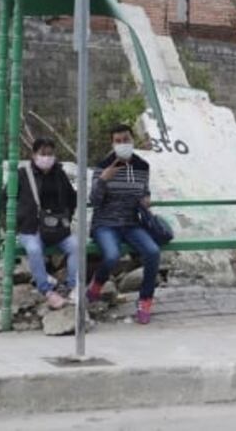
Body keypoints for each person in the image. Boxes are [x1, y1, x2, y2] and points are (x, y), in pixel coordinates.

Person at [87, 124, 160, 325]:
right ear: (112, 143)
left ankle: (145, 299)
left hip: (131, 223)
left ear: (132, 140)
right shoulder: (103, 165)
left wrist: (146, 199)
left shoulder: (142, 166)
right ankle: (97, 284)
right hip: (105, 224)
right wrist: (103, 180)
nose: (122, 144)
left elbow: (144, 191)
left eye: (126, 139)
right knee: (112, 255)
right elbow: (94, 200)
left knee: (152, 252)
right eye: (118, 141)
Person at [16, 137, 79, 310]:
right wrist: (19, 219)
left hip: (57, 228)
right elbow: (8, 198)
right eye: (42, 153)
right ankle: (46, 290)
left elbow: (72, 197)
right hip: (31, 228)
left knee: (75, 246)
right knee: (34, 250)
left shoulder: (59, 174)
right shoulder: (23, 174)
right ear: (34, 154)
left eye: (50, 154)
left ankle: (72, 285)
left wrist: (67, 214)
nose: (47, 157)